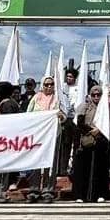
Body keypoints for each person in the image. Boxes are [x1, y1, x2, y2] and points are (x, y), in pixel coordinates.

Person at [25, 75, 65, 203]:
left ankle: (48, 190)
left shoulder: (58, 99)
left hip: (53, 135)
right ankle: (34, 190)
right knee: (35, 161)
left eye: (51, 84)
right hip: (38, 135)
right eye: (46, 84)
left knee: (51, 162)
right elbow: (28, 115)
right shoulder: (36, 98)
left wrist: (61, 116)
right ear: (42, 85)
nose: (49, 86)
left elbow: (66, 115)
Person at [72, 85, 110, 203]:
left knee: (100, 169)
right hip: (87, 140)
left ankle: (100, 194)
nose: (96, 97)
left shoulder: (105, 107)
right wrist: (91, 130)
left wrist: (99, 131)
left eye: (99, 94)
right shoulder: (85, 106)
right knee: (84, 169)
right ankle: (81, 195)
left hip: (101, 141)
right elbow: (79, 123)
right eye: (94, 95)